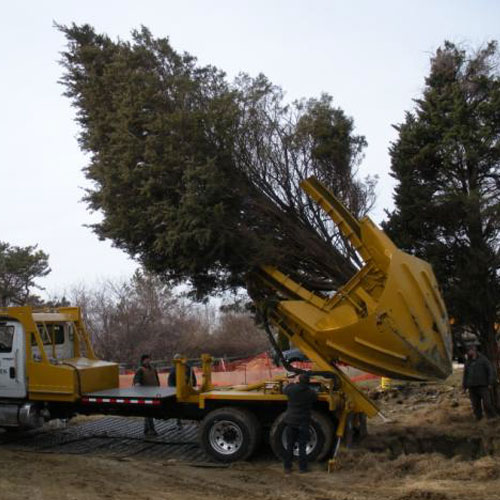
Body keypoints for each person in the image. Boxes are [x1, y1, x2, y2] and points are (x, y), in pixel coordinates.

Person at [283, 373, 317, 474]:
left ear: (299, 381)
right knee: (302, 446)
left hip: (292, 421)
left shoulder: (292, 389)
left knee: (290, 445)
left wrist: (291, 382)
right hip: (303, 422)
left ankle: (287, 467)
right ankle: (303, 468)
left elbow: (284, 389)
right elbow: (315, 397)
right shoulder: (310, 392)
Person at [462, 344, 496, 420]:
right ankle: (479, 419)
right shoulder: (468, 362)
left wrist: (490, 382)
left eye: (469, 351)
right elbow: (465, 374)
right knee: (475, 405)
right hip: (472, 387)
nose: (468, 352)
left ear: (474, 351)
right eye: (468, 351)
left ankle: (492, 418)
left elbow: (490, 370)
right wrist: (464, 386)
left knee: (487, 403)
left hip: (483, 385)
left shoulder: (483, 359)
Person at [168, 354, 197, 429]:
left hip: (188, 389)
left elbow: (193, 378)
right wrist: (173, 390)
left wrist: (193, 386)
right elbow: (171, 380)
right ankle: (179, 422)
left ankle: (194, 421)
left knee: (192, 405)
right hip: (178, 390)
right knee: (178, 407)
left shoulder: (188, 368)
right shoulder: (174, 369)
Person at [133, 354, 161, 435]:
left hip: (153, 393)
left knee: (149, 413)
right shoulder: (140, 370)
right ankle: (151, 429)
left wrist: (159, 388)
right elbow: (136, 381)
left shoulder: (153, 369)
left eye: (149, 359)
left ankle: (146, 429)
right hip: (145, 394)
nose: (148, 361)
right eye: (146, 359)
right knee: (148, 412)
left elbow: (157, 379)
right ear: (143, 361)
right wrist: (139, 389)